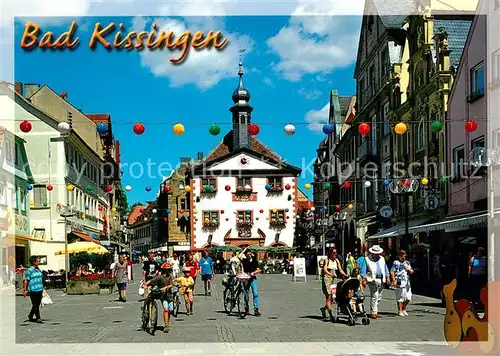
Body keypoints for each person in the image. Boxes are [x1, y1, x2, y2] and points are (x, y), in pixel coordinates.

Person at [360, 245, 391, 319]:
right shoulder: (367, 259)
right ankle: (373, 312)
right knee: (375, 295)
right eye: (375, 253)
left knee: (379, 296)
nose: (377, 254)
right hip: (372, 279)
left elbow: (385, 268)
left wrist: (388, 277)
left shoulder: (382, 259)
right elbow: (363, 270)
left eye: (378, 253)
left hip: (381, 279)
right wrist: (363, 279)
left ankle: (375, 311)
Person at [143, 263, 174, 333]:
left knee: (170, 310)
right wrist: (145, 285)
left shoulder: (170, 277)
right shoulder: (160, 277)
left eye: (168, 270)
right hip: (163, 296)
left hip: (169, 296)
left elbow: (171, 285)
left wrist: (166, 287)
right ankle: (166, 325)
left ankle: (167, 323)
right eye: (166, 270)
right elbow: (151, 281)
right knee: (166, 310)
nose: (167, 271)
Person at [319, 248, 347, 321]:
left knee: (333, 298)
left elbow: (340, 269)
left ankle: (323, 309)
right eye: (334, 253)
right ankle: (331, 315)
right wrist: (330, 274)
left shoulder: (337, 261)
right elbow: (325, 269)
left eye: (336, 253)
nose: (335, 254)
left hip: (334, 279)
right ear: (330, 253)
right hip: (327, 279)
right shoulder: (327, 260)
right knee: (328, 297)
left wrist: (345, 275)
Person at [391, 250, 414, 316]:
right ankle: (399, 310)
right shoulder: (396, 263)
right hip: (399, 281)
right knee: (400, 296)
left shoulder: (407, 263)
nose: (403, 257)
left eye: (404, 255)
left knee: (408, 296)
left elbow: (412, 271)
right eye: (401, 256)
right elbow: (392, 271)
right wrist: (394, 280)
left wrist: (410, 271)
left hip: (407, 281)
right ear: (399, 256)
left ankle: (403, 308)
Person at [239, 247, 262, 316]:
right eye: (248, 254)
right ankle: (247, 307)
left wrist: (254, 273)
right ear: (246, 255)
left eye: (250, 254)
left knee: (255, 294)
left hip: (253, 279)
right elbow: (239, 256)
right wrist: (245, 249)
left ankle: (256, 309)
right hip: (246, 279)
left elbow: (259, 269)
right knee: (246, 294)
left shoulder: (254, 261)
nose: (249, 255)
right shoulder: (244, 261)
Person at [23, 256, 44, 323]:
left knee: (37, 304)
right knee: (35, 304)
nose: (39, 262)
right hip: (33, 289)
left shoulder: (38, 269)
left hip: (40, 288)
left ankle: (30, 315)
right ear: (33, 262)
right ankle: (38, 318)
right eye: (38, 261)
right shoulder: (29, 270)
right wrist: (25, 290)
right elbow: (26, 280)